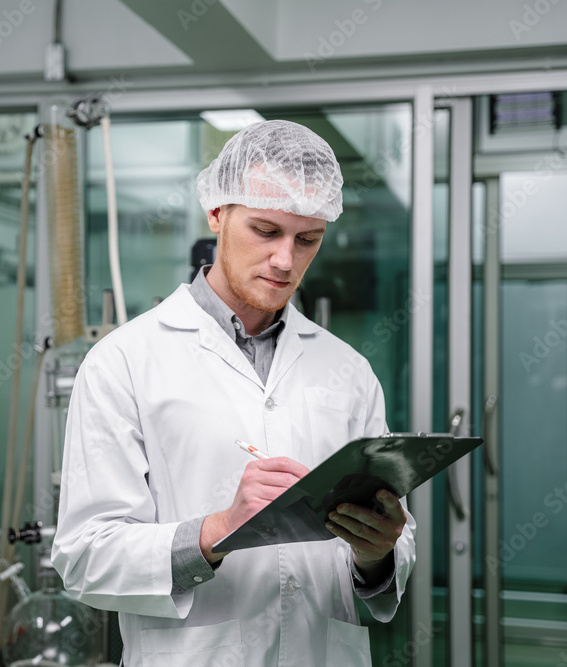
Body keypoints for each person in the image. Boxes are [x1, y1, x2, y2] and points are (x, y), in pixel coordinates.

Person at [51, 120, 416, 666]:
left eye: (307, 239)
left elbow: (393, 546)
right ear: (217, 214)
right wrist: (216, 532)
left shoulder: (349, 370)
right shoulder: (124, 362)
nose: (286, 260)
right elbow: (84, 556)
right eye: (266, 231)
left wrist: (377, 553)